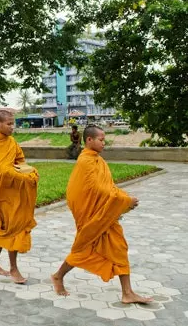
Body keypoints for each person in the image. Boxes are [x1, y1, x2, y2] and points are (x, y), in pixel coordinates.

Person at [51, 125, 153, 304]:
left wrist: (121, 201)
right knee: (82, 250)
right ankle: (58, 276)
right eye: (101, 139)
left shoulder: (98, 160)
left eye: (104, 139)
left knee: (119, 248)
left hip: (104, 216)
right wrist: (124, 200)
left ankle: (127, 293)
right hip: (92, 216)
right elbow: (95, 189)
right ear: (89, 140)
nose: (104, 143)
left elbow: (108, 187)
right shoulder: (86, 162)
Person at [0, 110, 39, 284]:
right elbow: (0, 169)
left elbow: (20, 160)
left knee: (4, 226)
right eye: (8, 124)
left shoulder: (12, 142)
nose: (12, 127)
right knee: (12, 227)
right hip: (1, 192)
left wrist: (29, 171)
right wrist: (23, 176)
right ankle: (14, 269)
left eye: (13, 123)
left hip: (14, 191)